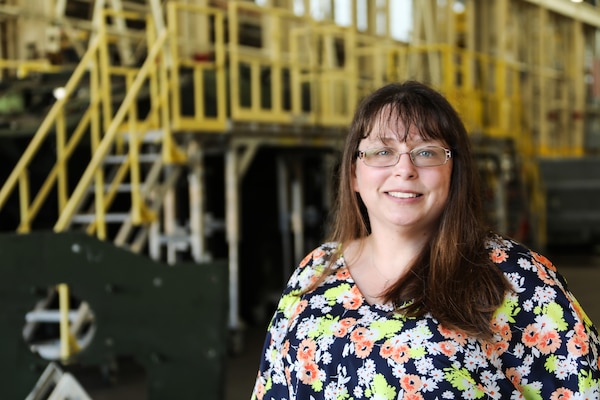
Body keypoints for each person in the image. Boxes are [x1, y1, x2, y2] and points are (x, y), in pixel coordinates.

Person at [251, 81, 600, 399]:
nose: (404, 169)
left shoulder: (517, 278)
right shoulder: (316, 272)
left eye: (426, 152)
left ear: (454, 172)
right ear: (354, 173)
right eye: (382, 152)